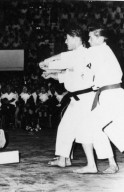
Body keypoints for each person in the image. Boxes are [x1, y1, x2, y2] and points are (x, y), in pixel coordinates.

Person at [40, 23, 95, 168]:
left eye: (67, 39)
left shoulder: (78, 55)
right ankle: (65, 159)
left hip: (82, 98)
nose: (65, 42)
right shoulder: (80, 55)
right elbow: (67, 76)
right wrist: (51, 75)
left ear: (76, 38)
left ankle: (63, 159)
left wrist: (45, 63)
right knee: (68, 128)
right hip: (81, 97)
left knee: (68, 128)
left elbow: (61, 60)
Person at [73, 24, 122, 174]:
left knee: (89, 127)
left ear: (100, 39)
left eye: (90, 37)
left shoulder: (97, 50)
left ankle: (94, 165)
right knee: (103, 128)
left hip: (111, 95)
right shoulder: (104, 51)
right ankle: (110, 164)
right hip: (112, 94)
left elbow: (78, 57)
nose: (88, 40)